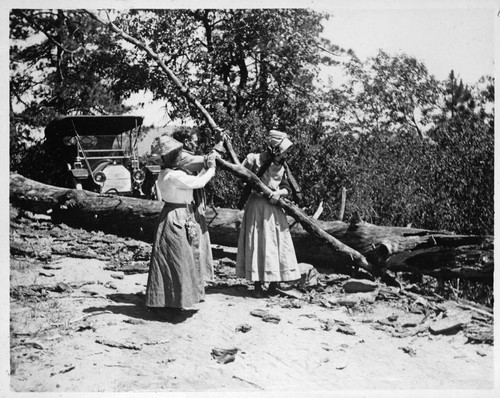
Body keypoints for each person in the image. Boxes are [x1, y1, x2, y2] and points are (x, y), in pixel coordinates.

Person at [146, 135, 217, 319]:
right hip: (176, 217)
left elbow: (192, 183)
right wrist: (211, 169)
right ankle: (171, 302)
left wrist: (204, 169)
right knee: (177, 260)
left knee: (174, 260)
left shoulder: (168, 173)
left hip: (173, 214)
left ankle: (171, 300)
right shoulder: (173, 175)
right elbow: (198, 183)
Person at [235, 129, 301, 296]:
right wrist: (254, 188)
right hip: (257, 207)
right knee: (257, 243)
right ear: (274, 148)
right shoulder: (254, 159)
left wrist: (278, 193)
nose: (285, 154)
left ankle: (273, 283)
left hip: (274, 208)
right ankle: (257, 283)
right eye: (283, 150)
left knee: (274, 245)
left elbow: (287, 187)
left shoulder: (282, 165)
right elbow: (241, 177)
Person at [172, 127, 214, 283]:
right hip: (188, 208)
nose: (196, 145)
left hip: (194, 205)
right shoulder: (183, 157)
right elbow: (205, 161)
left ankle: (198, 279)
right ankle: (195, 280)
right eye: (195, 142)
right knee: (194, 243)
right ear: (186, 142)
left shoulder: (184, 156)